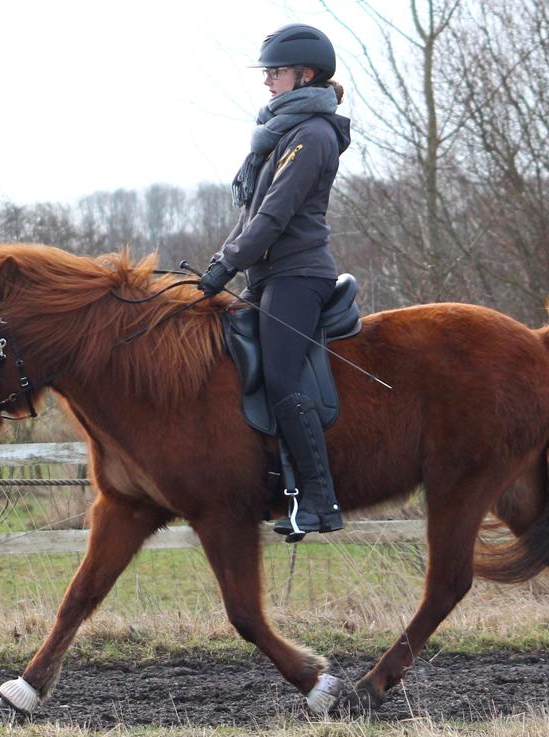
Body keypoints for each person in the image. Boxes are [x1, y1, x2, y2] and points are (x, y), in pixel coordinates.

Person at [197, 23, 352, 542]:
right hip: (268, 274)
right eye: (267, 72)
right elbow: (251, 215)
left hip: (299, 274)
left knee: (283, 377)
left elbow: (276, 215)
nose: (267, 81)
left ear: (304, 75)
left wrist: (229, 265)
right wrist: (221, 261)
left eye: (275, 72)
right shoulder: (281, 134)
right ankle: (267, 481)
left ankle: (318, 499)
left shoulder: (313, 136)